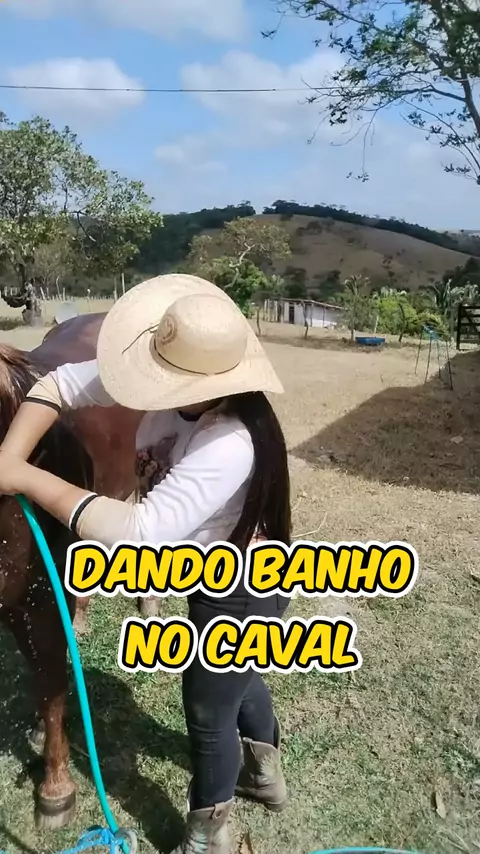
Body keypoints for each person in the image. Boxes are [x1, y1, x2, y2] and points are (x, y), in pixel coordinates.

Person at [0, 273, 291, 854]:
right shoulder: (168, 386)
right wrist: (11, 451)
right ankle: (265, 772)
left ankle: (208, 837)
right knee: (236, 672)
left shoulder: (228, 441)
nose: (141, 384)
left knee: (207, 707)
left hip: (244, 578)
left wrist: (25, 477)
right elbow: (59, 383)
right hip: (201, 561)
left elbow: (138, 530)